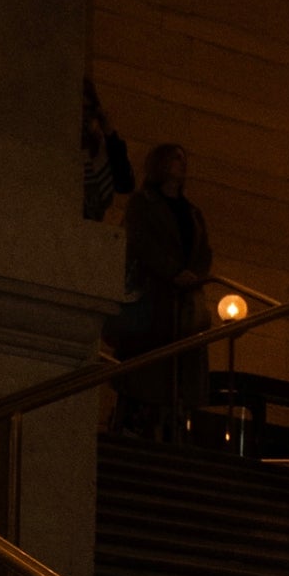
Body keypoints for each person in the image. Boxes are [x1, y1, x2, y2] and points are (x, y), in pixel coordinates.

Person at [117, 145, 215, 435]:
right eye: (175, 158)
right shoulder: (143, 203)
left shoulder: (192, 212)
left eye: (184, 159)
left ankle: (174, 428)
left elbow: (204, 250)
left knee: (179, 371)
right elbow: (141, 242)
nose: (182, 164)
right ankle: (138, 426)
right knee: (148, 370)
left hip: (184, 303)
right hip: (154, 298)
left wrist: (194, 275)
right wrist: (172, 271)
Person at [81, 80, 134, 222]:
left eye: (88, 110)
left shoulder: (101, 148)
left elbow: (124, 184)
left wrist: (110, 134)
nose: (84, 116)